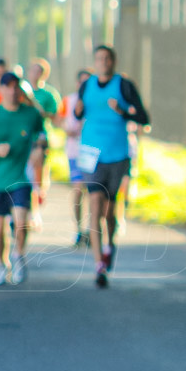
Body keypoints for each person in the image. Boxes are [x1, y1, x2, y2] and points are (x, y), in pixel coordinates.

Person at [74, 45, 150, 288]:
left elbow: (144, 118)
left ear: (113, 61)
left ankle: (110, 246)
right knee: (95, 206)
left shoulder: (124, 85)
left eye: (107, 58)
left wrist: (123, 111)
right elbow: (78, 113)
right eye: (99, 58)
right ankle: (99, 265)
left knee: (110, 211)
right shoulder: (87, 86)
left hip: (117, 155)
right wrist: (76, 113)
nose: (103, 62)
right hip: (91, 155)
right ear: (94, 62)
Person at [0, 72, 47, 286]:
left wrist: (39, 149)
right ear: (0, 90)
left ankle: (18, 256)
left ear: (20, 89)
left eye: (15, 86)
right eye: (7, 86)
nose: (12, 90)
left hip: (22, 179)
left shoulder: (31, 114)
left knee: (20, 222)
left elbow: (43, 137)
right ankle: (1, 264)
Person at [25, 58, 62, 231]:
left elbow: (56, 117)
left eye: (38, 71)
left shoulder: (49, 94)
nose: (35, 74)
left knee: (38, 174)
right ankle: (29, 211)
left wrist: (42, 113)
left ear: (44, 74)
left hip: (41, 137)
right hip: (25, 137)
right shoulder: (23, 91)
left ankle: (38, 202)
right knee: (28, 175)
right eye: (32, 70)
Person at [60, 69, 92, 247]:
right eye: (82, 82)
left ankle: (93, 230)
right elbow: (61, 119)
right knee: (79, 190)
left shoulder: (96, 100)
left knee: (94, 192)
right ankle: (79, 229)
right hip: (75, 151)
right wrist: (67, 129)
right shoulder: (69, 100)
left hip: (93, 152)